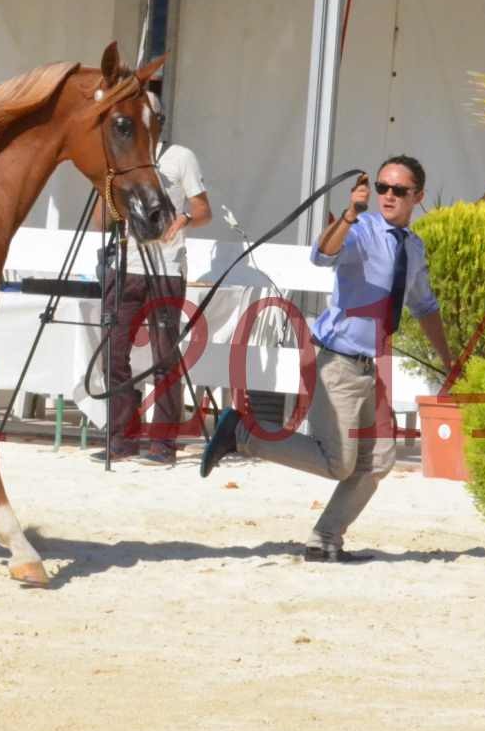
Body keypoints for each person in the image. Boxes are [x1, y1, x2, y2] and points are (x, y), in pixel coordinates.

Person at [201, 155, 455, 562]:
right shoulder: (362, 230)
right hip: (336, 362)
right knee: (338, 463)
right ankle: (245, 435)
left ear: (418, 196)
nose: (388, 196)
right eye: (382, 188)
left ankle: (326, 540)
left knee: (379, 460)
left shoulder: (414, 247)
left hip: (371, 368)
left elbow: (425, 307)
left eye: (399, 190)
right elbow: (322, 254)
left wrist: (449, 360)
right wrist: (350, 215)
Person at [89, 132, 212, 466]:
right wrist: (108, 184)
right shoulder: (120, 155)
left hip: (166, 267)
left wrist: (184, 217)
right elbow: (100, 222)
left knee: (164, 356)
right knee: (112, 354)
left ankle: (163, 443)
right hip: (124, 266)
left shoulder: (180, 155)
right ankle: (122, 439)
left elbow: (204, 210)